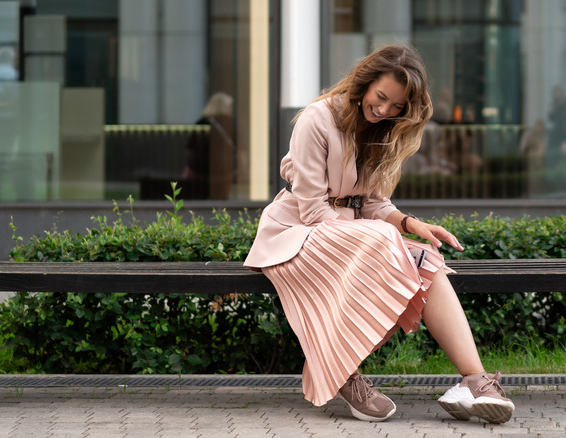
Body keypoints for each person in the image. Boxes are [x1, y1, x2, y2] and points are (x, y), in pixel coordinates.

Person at [243, 45, 514, 424]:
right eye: (381, 97)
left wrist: (409, 225)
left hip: (351, 234)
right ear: (364, 82)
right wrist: (380, 237)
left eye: (397, 106)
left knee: (428, 260)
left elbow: (371, 202)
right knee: (386, 244)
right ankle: (341, 372)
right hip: (297, 234)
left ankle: (474, 381)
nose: (385, 110)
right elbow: (313, 210)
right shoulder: (317, 119)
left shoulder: (384, 130)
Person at [183, 92, 236, 199]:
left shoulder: (202, 122)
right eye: (229, 106)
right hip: (224, 171)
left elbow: (191, 147)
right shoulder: (231, 123)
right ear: (223, 106)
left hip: (200, 170)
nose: (231, 109)